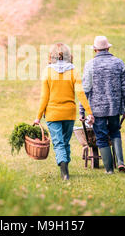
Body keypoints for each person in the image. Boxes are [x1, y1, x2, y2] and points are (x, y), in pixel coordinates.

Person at [34, 43, 94, 180]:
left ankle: (64, 172)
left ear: (51, 56)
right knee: (65, 142)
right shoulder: (73, 71)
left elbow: (44, 97)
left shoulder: (47, 72)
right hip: (69, 113)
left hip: (53, 114)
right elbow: (80, 93)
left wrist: (38, 117)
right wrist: (89, 112)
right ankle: (65, 167)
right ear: (69, 56)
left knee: (59, 143)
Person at [79, 36, 125, 174]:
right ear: (108, 48)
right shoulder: (118, 63)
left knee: (101, 137)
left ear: (95, 49)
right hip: (115, 107)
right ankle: (120, 162)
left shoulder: (90, 65)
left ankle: (109, 170)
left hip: (97, 109)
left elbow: (85, 90)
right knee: (115, 132)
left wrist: (81, 111)